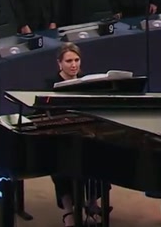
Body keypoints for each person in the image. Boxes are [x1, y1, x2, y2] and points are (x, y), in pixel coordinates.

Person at [45, 43, 104, 226]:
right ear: (59, 63)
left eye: (77, 60)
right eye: (69, 61)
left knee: (104, 158)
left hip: (84, 133)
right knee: (60, 166)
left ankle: (92, 203)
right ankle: (68, 212)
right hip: (59, 137)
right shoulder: (49, 84)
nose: (74, 65)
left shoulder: (87, 82)